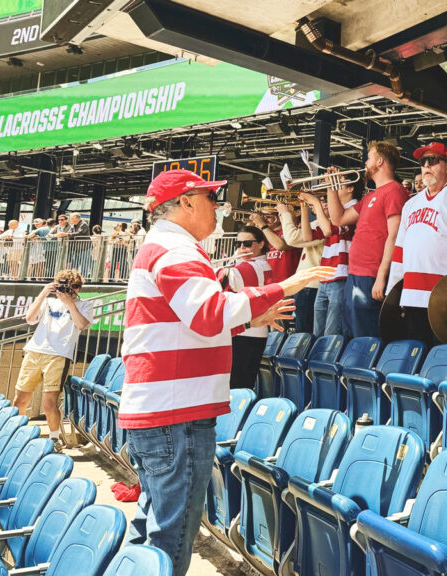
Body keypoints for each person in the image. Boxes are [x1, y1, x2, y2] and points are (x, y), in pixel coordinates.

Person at [119, 169, 332, 576]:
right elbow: (206, 314)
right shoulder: (175, 249)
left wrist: (252, 313)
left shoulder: (165, 246)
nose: (219, 207)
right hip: (175, 416)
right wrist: (284, 287)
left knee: (152, 531)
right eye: (210, 198)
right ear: (186, 203)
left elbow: (190, 323)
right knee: (171, 538)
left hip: (163, 412)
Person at [386, 142, 447, 346]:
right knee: (414, 363)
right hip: (411, 297)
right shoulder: (410, 204)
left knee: (440, 362)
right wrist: (392, 294)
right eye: (423, 162)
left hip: (444, 299)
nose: (426, 166)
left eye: (433, 160)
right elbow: (400, 252)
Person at [325, 141, 408, 338]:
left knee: (365, 335)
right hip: (356, 273)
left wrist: (381, 276)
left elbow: (394, 236)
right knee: (350, 332)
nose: (365, 162)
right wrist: (331, 188)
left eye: (369, 158)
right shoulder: (373, 195)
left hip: (370, 274)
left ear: (379, 161)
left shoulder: (394, 191)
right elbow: (339, 219)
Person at [14, 269, 94, 452]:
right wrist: (44, 292)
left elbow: (81, 325)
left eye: (75, 287)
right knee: (20, 399)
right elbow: (30, 318)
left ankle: (54, 438)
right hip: (35, 351)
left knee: (49, 402)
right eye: (67, 286)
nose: (71, 290)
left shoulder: (84, 305)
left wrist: (69, 304)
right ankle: (18, 436)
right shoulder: (49, 301)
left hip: (59, 355)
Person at [220, 225, 274, 389]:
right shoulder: (255, 264)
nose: (242, 248)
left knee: (236, 387)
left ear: (261, 244)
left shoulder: (253, 266)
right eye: (238, 244)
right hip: (249, 331)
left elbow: (222, 281)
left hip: (247, 334)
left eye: (247, 244)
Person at [304, 175, 356, 337]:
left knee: (331, 333)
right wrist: (304, 208)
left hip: (340, 277)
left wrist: (316, 204)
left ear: (350, 188)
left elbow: (327, 230)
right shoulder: (336, 214)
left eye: (337, 184)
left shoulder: (352, 209)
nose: (333, 188)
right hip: (325, 277)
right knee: (317, 333)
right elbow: (307, 237)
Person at [277, 201, 324, 334]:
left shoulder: (323, 224)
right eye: (322, 201)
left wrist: (285, 213)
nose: (324, 204)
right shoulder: (316, 223)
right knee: (302, 329)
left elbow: (292, 238)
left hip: (312, 285)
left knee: (304, 331)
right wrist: (288, 215)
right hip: (306, 284)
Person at [250, 211, 300, 288]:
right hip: (267, 285)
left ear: (279, 217)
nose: (264, 219)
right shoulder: (264, 234)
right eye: (262, 217)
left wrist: (262, 225)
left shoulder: (289, 232)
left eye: (268, 216)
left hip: (287, 285)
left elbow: (280, 245)